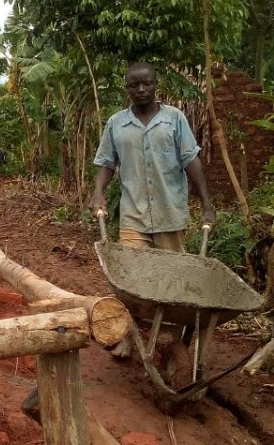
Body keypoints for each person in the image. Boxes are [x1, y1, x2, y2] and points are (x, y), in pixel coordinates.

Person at [89, 63, 215, 356]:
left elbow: (191, 161)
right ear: (128, 88)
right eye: (134, 85)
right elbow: (107, 162)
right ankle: (129, 337)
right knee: (129, 280)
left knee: (172, 283)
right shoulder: (116, 123)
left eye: (146, 83)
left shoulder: (174, 119)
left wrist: (207, 205)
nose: (141, 89)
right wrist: (97, 192)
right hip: (133, 213)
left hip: (170, 213)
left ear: (156, 84)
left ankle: (172, 335)